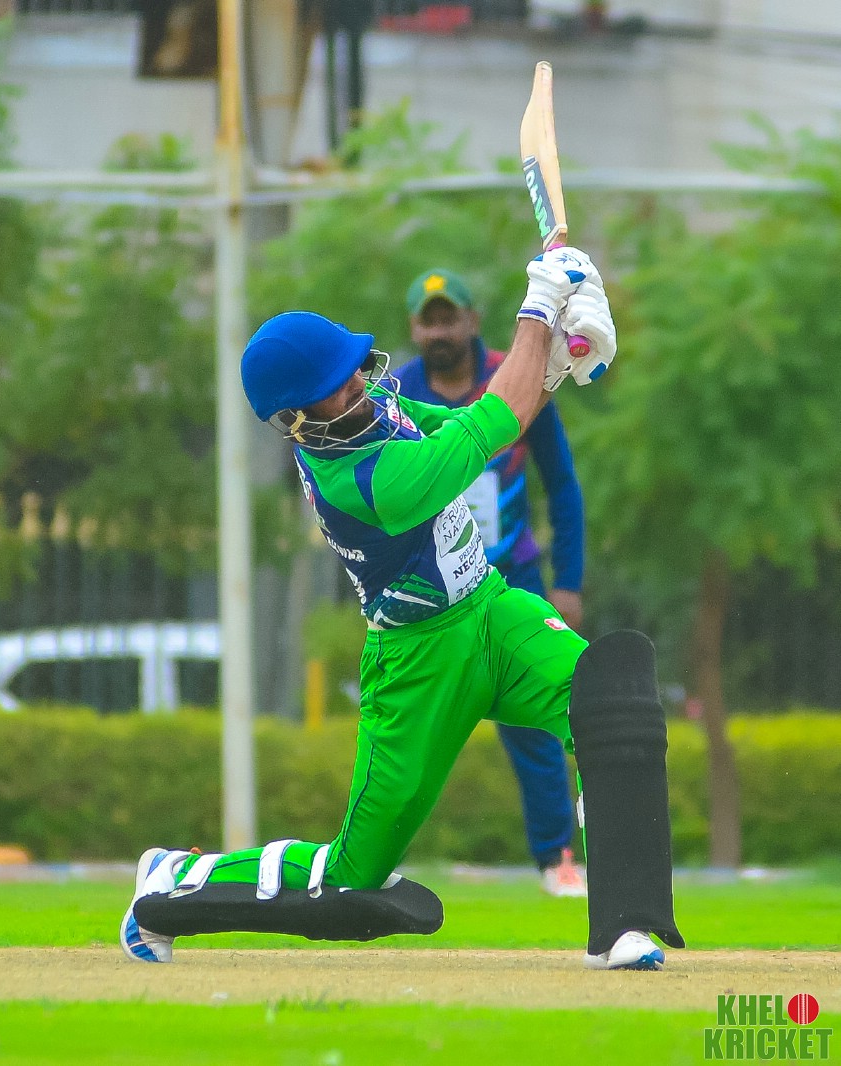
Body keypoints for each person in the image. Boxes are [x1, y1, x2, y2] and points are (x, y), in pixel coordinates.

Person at [120, 247, 684, 970]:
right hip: (416, 664)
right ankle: (175, 877)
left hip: (494, 612)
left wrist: (555, 361)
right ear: (297, 417)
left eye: (352, 367)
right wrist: (539, 309)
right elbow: (490, 424)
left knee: (609, 708)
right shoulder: (363, 482)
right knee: (353, 874)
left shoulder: (376, 407)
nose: (356, 383)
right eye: (335, 384)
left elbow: (481, 416)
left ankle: (622, 925)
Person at [393, 268, 587, 898]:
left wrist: (569, 581)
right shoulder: (397, 393)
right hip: (433, 585)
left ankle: (558, 857)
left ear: (472, 321)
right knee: (410, 725)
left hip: (513, 576)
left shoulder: (512, 379)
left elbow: (562, 486)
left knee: (534, 719)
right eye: (429, 321)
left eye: (449, 318)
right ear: (414, 329)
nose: (440, 332)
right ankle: (376, 860)